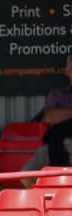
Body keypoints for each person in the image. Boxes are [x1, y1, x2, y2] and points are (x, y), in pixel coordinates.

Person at [21, 55, 72, 188]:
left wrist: (64, 114)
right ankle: (48, 202)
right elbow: (50, 116)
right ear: (67, 71)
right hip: (56, 144)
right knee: (26, 174)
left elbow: (56, 116)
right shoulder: (58, 94)